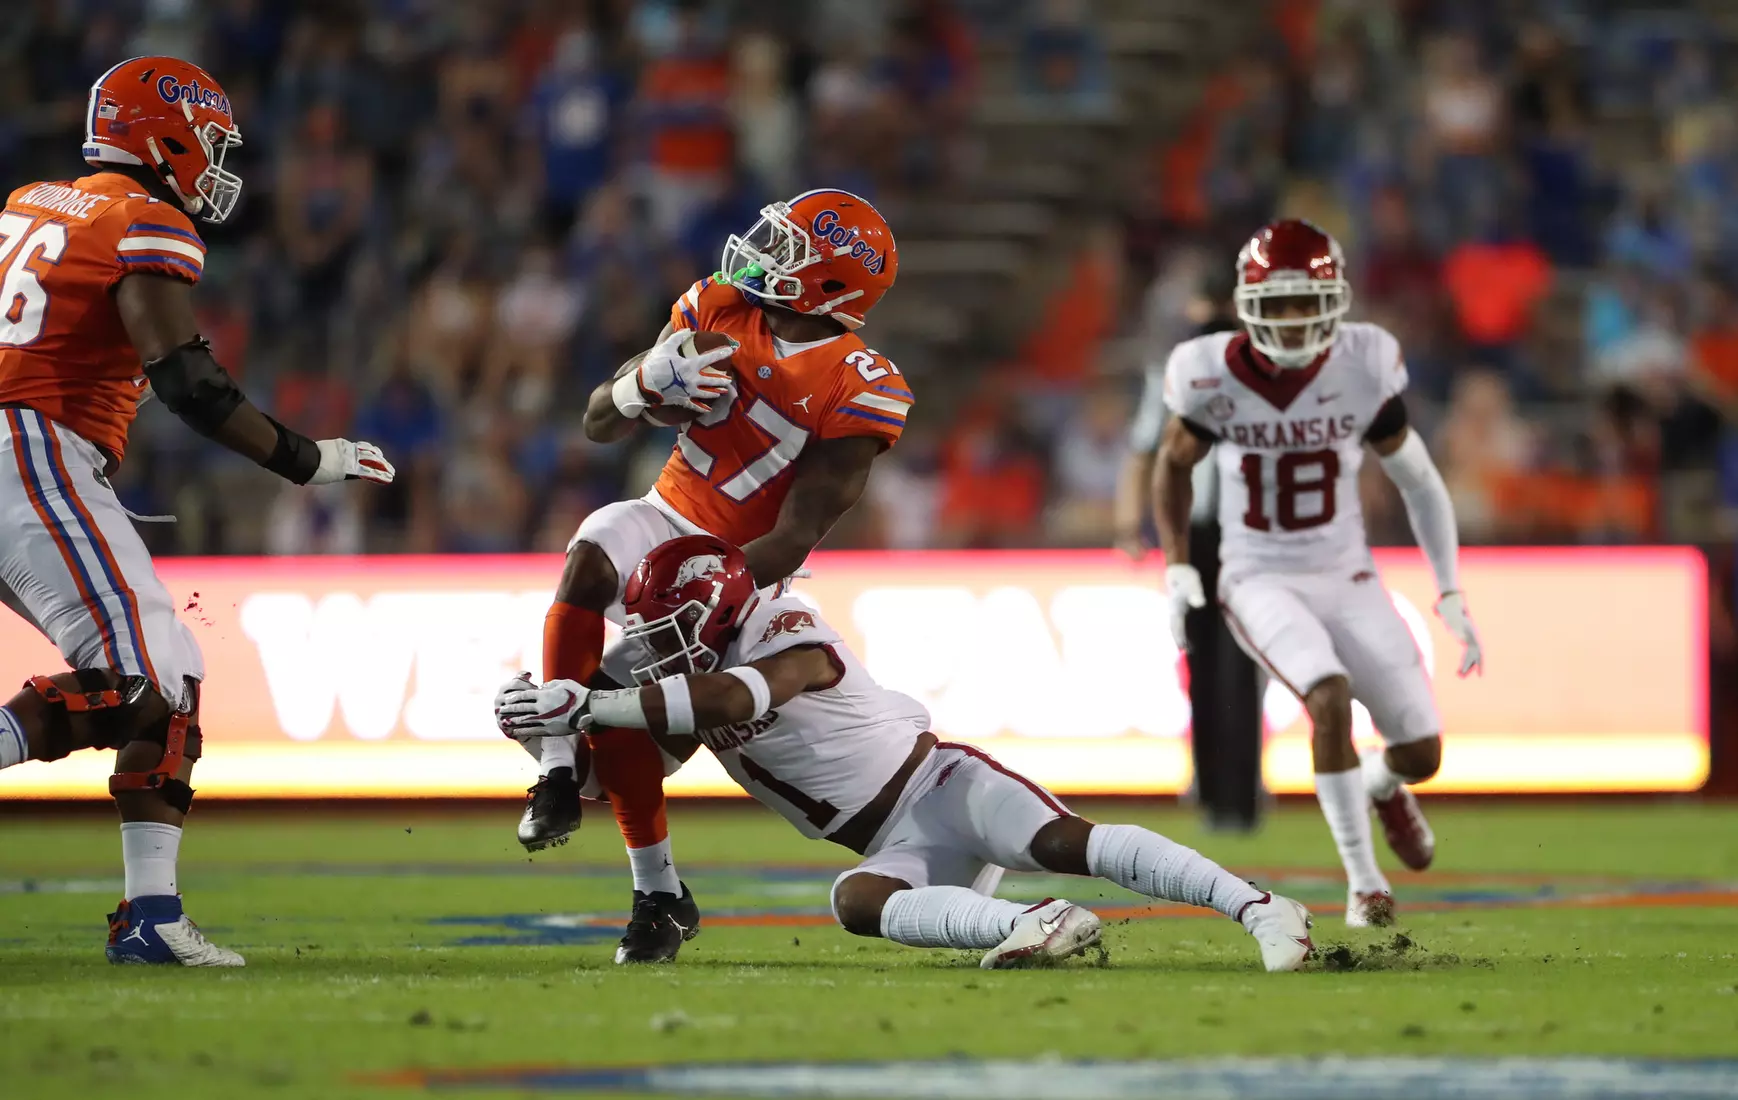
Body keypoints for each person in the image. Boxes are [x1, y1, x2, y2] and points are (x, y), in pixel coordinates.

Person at [0, 57, 395, 965]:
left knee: (166, 674)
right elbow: (189, 381)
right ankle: (149, 919)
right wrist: (309, 458)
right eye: (208, 141)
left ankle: (151, 916)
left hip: (28, 445)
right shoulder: (145, 217)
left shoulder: (34, 199)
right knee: (149, 681)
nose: (215, 162)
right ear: (163, 133)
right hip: (30, 448)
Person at [495, 535, 1314, 971]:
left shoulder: (784, 627)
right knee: (854, 901)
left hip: (939, 783)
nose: (658, 650)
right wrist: (546, 736)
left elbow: (739, 697)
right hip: (894, 845)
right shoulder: (683, 681)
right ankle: (1035, 923)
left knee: (1065, 841)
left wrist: (592, 699)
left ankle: (1260, 909)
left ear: (714, 611)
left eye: (670, 631)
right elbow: (626, 775)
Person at [520, 189, 909, 964]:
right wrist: (641, 383)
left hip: (740, 569)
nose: (764, 252)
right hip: (665, 512)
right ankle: (558, 775)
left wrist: (715, 585)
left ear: (833, 284)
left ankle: (656, 891)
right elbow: (598, 421)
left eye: (789, 248)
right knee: (594, 544)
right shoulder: (716, 304)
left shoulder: (859, 379)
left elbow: (798, 532)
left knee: (625, 709)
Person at [1151, 220, 1483, 927]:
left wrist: (1448, 586)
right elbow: (1172, 463)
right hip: (1257, 572)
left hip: (1346, 572)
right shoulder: (1211, 372)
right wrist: (1179, 564)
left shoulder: (1362, 365)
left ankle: (1383, 783)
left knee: (1421, 750)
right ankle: (1365, 885)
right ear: (1248, 304)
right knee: (1327, 698)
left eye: (1311, 302)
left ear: (1335, 301)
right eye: (1284, 303)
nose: (1298, 320)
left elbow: (1419, 482)